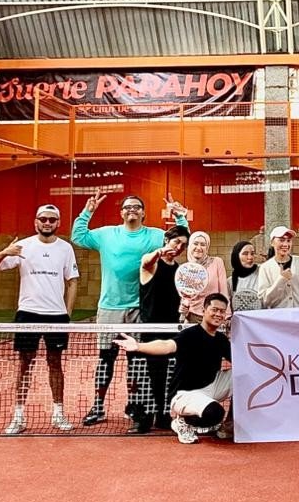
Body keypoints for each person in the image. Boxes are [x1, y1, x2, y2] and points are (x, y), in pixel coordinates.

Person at [72, 189, 189, 425]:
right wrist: (87, 211)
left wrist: (180, 216)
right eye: (127, 207)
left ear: (143, 213)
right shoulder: (106, 234)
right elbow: (78, 236)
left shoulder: (156, 235)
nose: (131, 210)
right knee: (105, 359)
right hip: (110, 307)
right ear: (121, 213)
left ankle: (133, 406)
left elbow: (180, 238)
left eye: (136, 206)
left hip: (138, 309)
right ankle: (98, 407)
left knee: (136, 360)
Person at [0, 204, 79, 435]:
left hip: (56, 316)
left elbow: (72, 281)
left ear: (58, 223)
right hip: (27, 313)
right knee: (25, 363)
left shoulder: (65, 248)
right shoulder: (23, 246)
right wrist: (5, 252)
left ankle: (58, 414)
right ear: (36, 221)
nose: (47, 223)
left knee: (55, 363)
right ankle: (18, 417)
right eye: (43, 219)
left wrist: (67, 312)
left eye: (51, 220)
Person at [114, 293, 231, 445]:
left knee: (245, 375)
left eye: (222, 311)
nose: (218, 314)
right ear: (204, 310)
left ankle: (232, 423)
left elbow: (241, 360)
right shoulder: (190, 335)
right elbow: (167, 345)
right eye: (214, 310)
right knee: (215, 413)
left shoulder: (221, 340)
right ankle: (184, 422)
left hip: (212, 387)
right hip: (185, 395)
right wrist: (138, 346)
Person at [133, 226, 190, 434]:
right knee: (148, 377)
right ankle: (143, 418)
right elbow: (145, 261)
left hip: (172, 330)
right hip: (150, 329)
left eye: (184, 245)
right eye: (176, 242)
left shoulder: (180, 271)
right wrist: (159, 252)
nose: (179, 247)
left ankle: (164, 415)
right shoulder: (152, 264)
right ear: (167, 240)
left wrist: (183, 308)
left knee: (169, 377)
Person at [256, 226, 299, 309]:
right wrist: (281, 280)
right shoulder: (265, 268)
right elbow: (264, 300)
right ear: (272, 242)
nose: (285, 244)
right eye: (281, 240)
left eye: (288, 240)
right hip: (278, 315)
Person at [176, 231, 229, 323]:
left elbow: (224, 292)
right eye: (195, 243)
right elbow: (185, 296)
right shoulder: (185, 269)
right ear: (189, 246)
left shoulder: (217, 262)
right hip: (191, 317)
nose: (199, 248)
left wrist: (227, 316)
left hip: (214, 316)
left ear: (207, 247)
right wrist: (183, 309)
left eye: (203, 244)